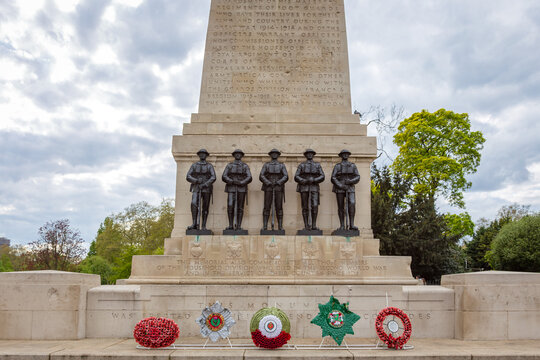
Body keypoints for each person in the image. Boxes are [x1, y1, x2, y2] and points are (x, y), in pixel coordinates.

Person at [294, 149, 325, 231]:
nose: (310, 155)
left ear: (313, 155)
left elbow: (322, 176)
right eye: (308, 154)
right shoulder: (302, 165)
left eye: (311, 154)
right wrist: (303, 180)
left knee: (314, 206)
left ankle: (314, 225)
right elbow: (296, 176)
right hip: (304, 187)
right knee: (305, 206)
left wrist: (314, 180)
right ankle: (306, 225)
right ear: (306, 155)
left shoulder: (317, 165)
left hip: (314, 187)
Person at [186, 149, 216, 231]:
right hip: (196, 187)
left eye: (204, 154)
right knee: (194, 203)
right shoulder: (194, 165)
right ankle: (194, 223)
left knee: (205, 207)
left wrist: (205, 184)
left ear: (206, 155)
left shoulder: (209, 166)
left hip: (206, 188)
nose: (202, 155)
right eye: (201, 154)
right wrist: (196, 181)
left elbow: (213, 177)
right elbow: (188, 176)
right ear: (199, 155)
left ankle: (203, 225)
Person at [222, 149, 252, 230]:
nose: (238, 155)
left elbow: (249, 177)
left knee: (240, 207)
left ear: (242, 155)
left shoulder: (245, 166)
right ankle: (231, 225)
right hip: (231, 187)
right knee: (230, 205)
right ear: (234, 155)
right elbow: (224, 176)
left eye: (239, 154)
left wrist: (242, 182)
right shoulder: (229, 165)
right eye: (236, 154)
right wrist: (231, 181)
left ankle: (239, 225)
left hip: (241, 188)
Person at [331, 149, 360, 232]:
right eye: (343, 154)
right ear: (341, 156)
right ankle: (342, 225)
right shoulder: (337, 166)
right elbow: (333, 177)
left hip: (350, 187)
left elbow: (357, 176)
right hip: (339, 187)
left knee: (352, 203)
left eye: (347, 154)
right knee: (341, 207)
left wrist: (350, 181)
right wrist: (340, 185)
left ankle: (351, 224)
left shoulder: (353, 165)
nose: (345, 155)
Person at [259, 149, 288, 231]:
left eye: (276, 154)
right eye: (273, 153)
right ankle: (265, 226)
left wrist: (279, 182)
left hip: (278, 187)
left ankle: (280, 226)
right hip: (268, 187)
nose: (274, 155)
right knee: (267, 206)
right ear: (270, 155)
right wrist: (268, 182)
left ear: (278, 155)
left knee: (279, 207)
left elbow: (286, 176)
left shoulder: (282, 165)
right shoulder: (266, 165)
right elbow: (261, 175)